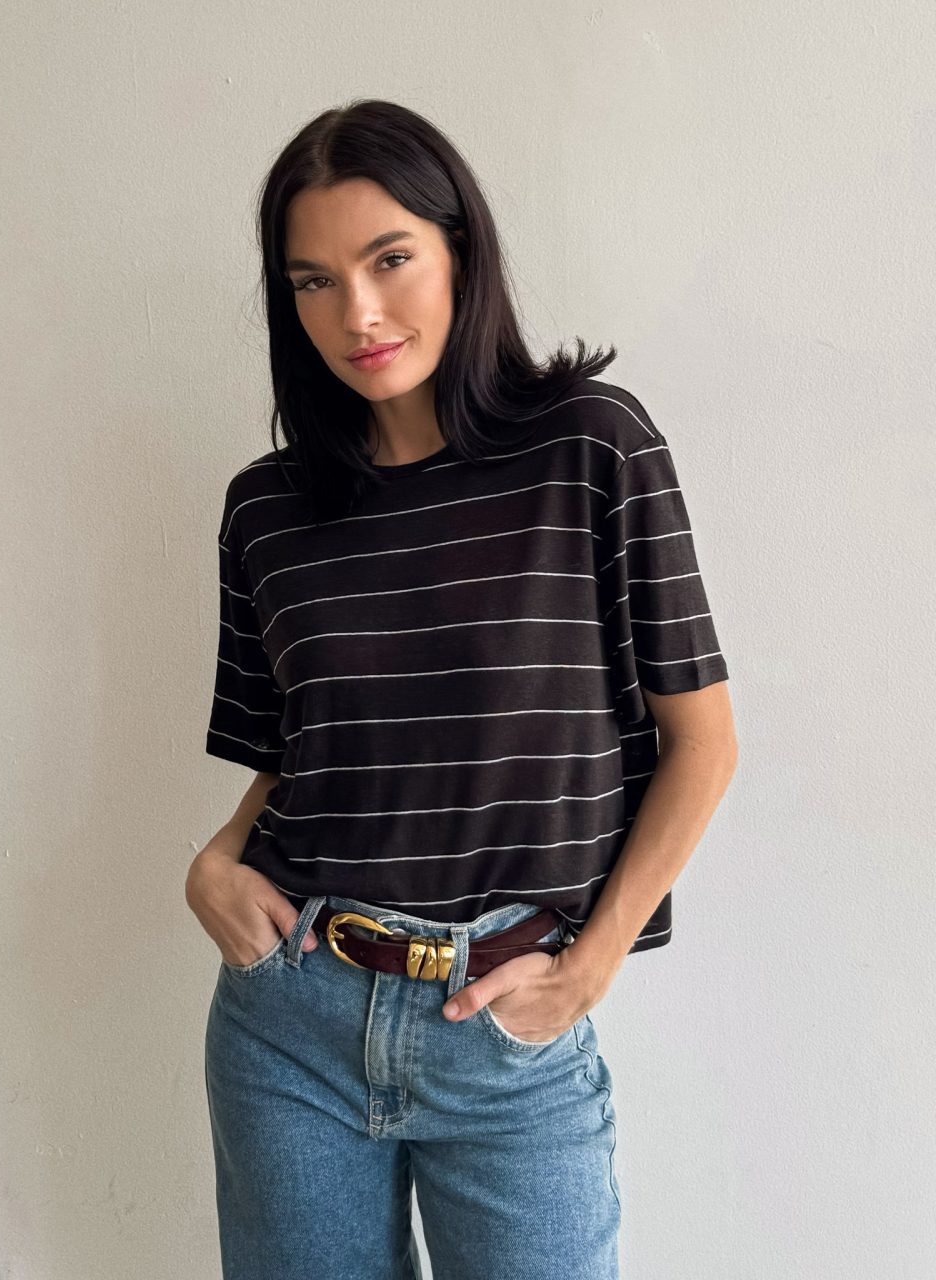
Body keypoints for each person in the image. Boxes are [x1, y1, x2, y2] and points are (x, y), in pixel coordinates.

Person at [185, 98, 738, 1280]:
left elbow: (704, 741)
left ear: (459, 249)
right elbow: (295, 747)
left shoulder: (591, 446)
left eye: (389, 259)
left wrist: (591, 965)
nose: (358, 312)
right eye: (314, 280)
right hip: (290, 1023)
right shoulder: (267, 509)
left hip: (504, 1027)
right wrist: (215, 861)